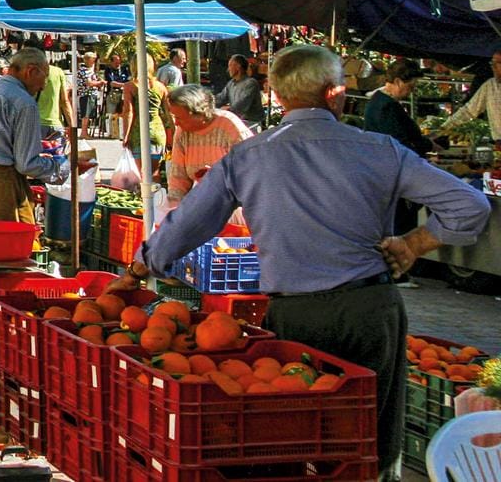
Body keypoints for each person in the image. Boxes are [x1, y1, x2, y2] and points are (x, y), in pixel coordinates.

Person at [107, 45, 491, 481]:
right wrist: (415, 243)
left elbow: (186, 224)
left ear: (278, 95)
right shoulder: (381, 149)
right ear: (335, 93)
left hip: (296, 314)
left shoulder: (249, 156)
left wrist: (137, 270)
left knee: (295, 436)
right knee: (369, 440)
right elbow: (470, 205)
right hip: (368, 310)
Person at [0, 48, 76, 225]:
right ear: (31, 71)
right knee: (15, 240)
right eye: (44, 77)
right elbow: (27, 164)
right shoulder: (23, 102)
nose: (43, 86)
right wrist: (66, 166)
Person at [362, 61, 435, 257]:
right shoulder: (386, 107)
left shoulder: (381, 102)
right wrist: (425, 147)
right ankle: (400, 263)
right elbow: (399, 142)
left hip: (389, 172)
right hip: (394, 174)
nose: (412, 91)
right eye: (410, 86)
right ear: (397, 81)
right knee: (401, 223)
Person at [163, 84, 251, 213]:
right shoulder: (182, 133)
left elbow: (250, 170)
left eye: (179, 118)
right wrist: (174, 207)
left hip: (236, 206)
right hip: (202, 203)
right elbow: (178, 176)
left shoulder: (229, 126)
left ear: (199, 113)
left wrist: (219, 178)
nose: (176, 123)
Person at [443, 49, 501, 142]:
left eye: (498, 63)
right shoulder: (490, 85)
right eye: (492, 63)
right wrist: (446, 126)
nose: (493, 67)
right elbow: (469, 110)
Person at [120, 54, 169, 161]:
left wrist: (126, 136)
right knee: (155, 171)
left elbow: (128, 112)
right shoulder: (161, 87)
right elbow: (169, 113)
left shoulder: (130, 86)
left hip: (138, 135)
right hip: (158, 133)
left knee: (140, 170)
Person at [216, 53, 264, 128]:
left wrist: (226, 109)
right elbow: (220, 98)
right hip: (238, 123)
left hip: (252, 123)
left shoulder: (250, 83)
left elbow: (241, 106)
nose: (228, 69)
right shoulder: (231, 83)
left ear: (238, 66)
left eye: (230, 65)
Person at [36, 60, 74, 136]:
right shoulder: (58, 71)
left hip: (35, 123)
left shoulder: (26, 72)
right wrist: (72, 126)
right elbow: (64, 101)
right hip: (55, 123)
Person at [76, 51, 105, 137]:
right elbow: (89, 83)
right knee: (86, 114)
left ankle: (86, 132)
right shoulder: (83, 70)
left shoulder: (91, 70)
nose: (94, 61)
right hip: (86, 94)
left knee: (89, 114)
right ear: (88, 60)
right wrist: (100, 83)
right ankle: (84, 132)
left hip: (92, 94)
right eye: (93, 59)